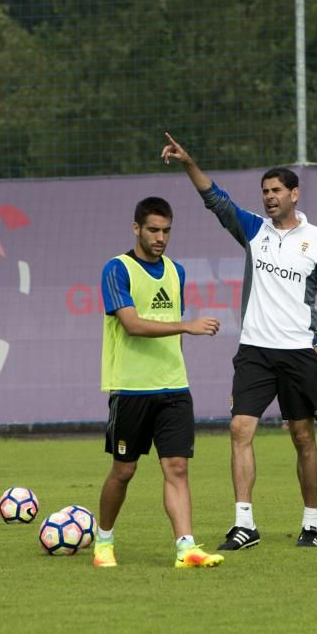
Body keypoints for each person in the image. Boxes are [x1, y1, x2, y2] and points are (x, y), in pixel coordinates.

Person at [162, 133, 317, 550]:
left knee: (302, 438)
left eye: (276, 190)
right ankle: (244, 524)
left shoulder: (316, 240)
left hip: (300, 353)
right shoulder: (253, 230)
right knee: (239, 428)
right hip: (254, 352)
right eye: (264, 192)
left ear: (294, 194)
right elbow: (217, 200)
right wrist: (191, 163)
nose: (268, 198)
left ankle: (311, 522)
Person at [95, 196, 225, 569]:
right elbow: (132, 325)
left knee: (178, 468)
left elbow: (174, 332)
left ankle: (187, 549)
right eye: (153, 230)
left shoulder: (175, 271)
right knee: (124, 470)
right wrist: (187, 325)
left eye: (166, 231)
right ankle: (104, 542)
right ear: (136, 228)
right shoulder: (117, 269)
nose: (160, 237)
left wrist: (178, 364)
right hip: (131, 389)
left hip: (174, 389)